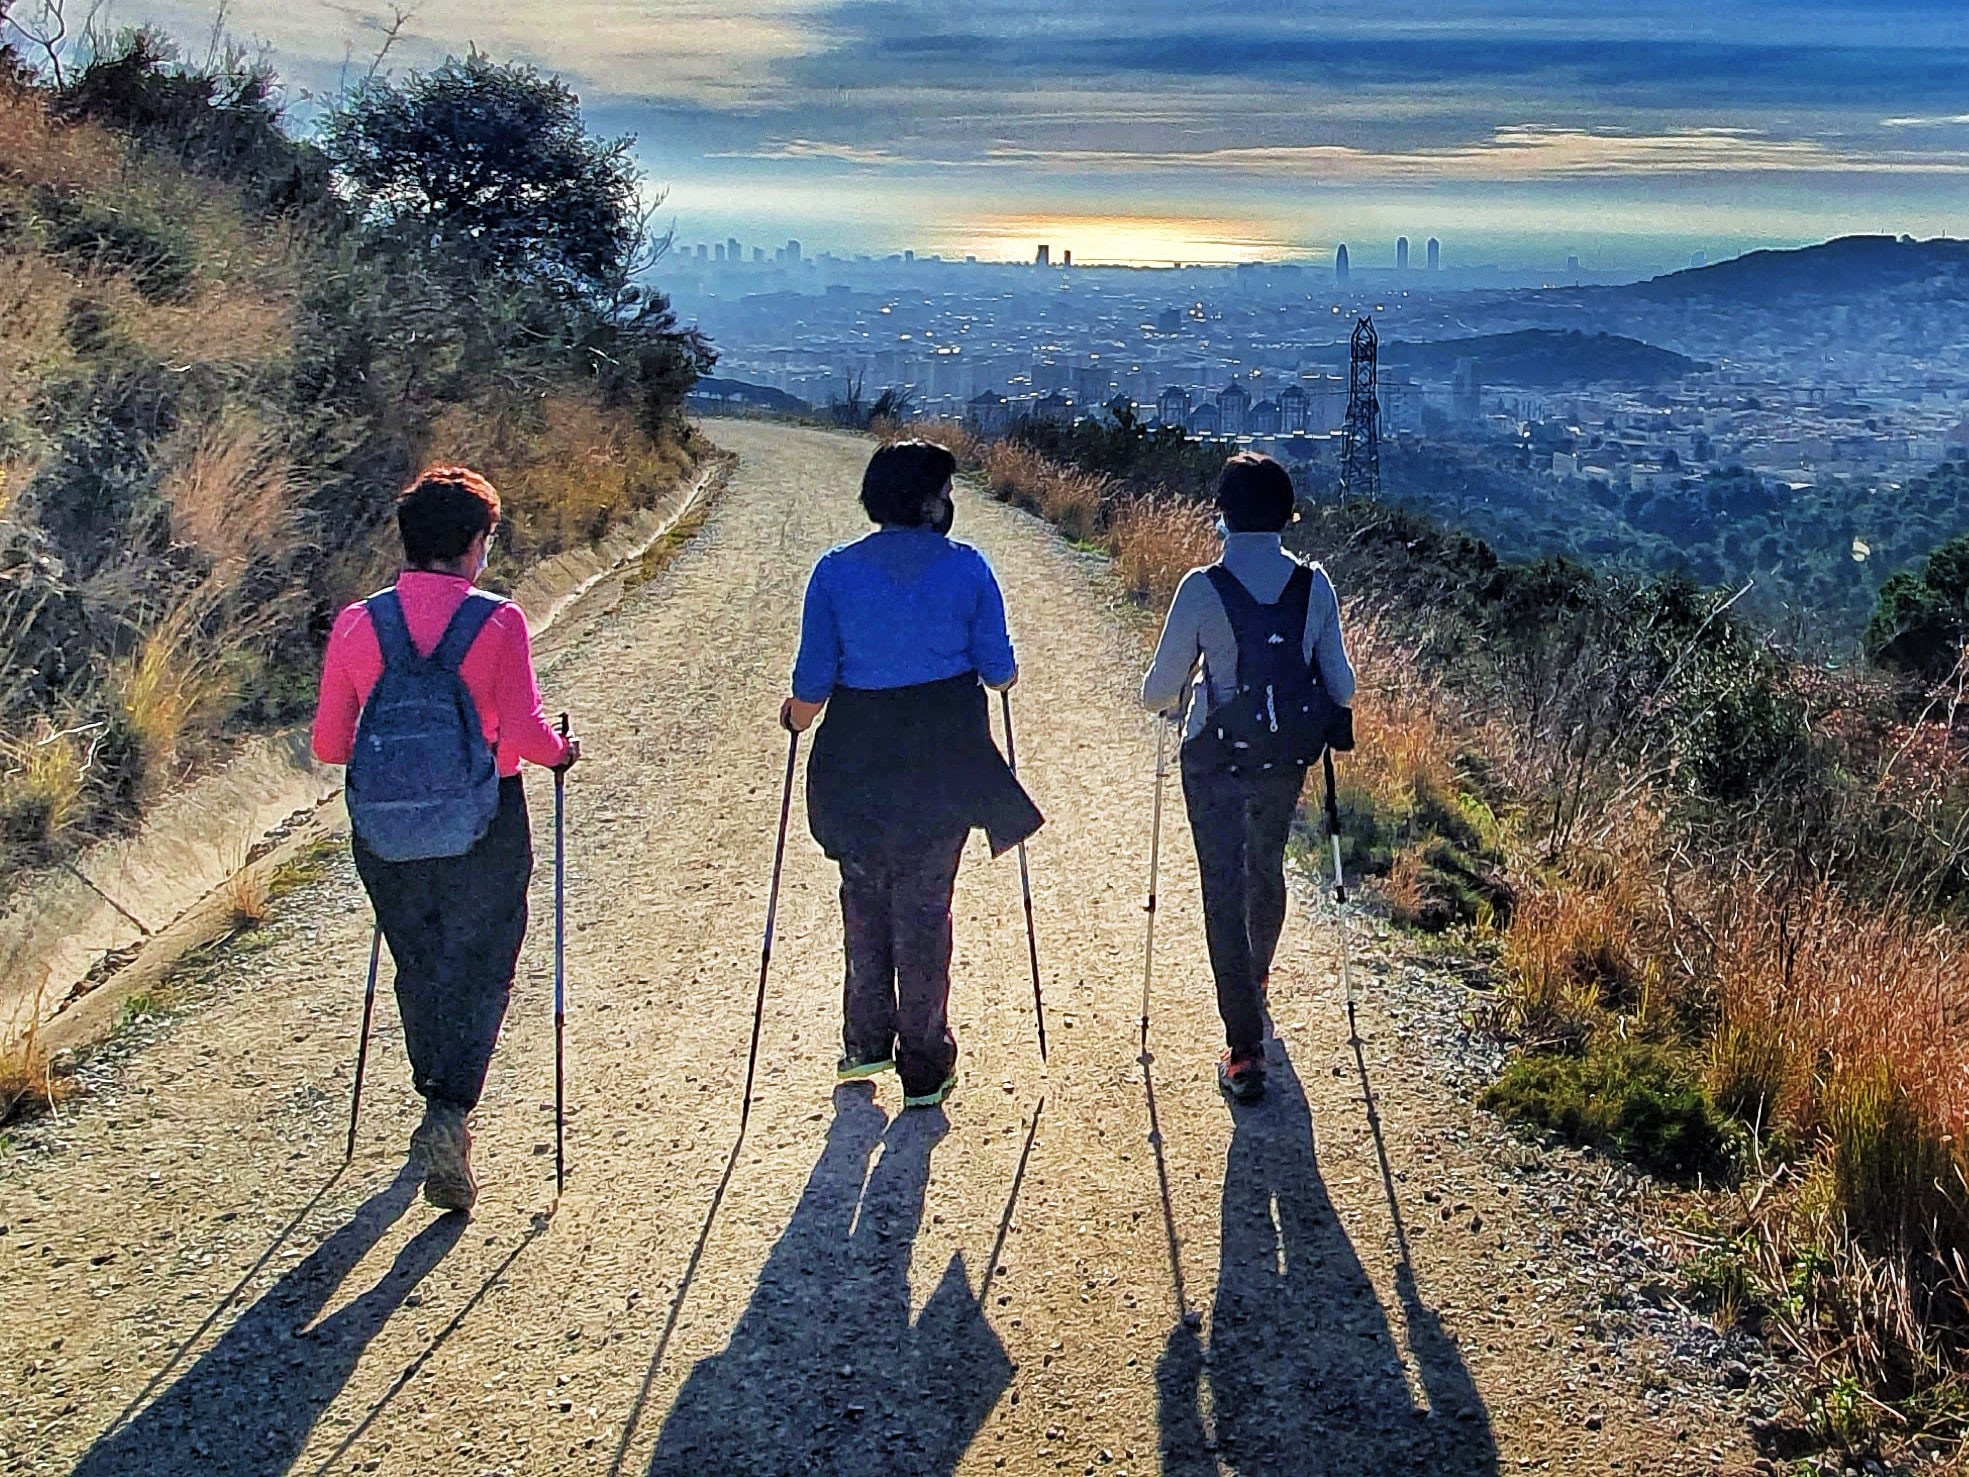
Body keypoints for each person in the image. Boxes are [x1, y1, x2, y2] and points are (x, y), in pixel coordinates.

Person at [312, 466, 579, 1212]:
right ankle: (450, 1110)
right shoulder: (497, 621)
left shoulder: (359, 622)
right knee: (482, 964)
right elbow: (525, 734)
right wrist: (562, 753)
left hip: (386, 827)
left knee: (418, 963)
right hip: (484, 818)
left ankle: (434, 1094)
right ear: (474, 542)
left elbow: (332, 744)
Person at [781, 440, 1042, 1110]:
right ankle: (924, 1062)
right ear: (930, 501)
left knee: (864, 896)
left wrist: (793, 715)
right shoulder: (968, 569)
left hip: (857, 754)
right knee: (926, 907)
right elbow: (998, 671)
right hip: (943, 755)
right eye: (946, 491)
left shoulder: (834, 573)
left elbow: (811, 685)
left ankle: (864, 1042)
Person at [1140, 453, 1354, 1103]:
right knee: (1265, 865)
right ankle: (1256, 982)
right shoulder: (1314, 586)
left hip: (1214, 757)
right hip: (1284, 757)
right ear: (1286, 514)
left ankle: (1242, 1045)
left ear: (1223, 513)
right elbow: (1341, 684)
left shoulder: (1202, 587)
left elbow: (1156, 693)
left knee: (1221, 887)